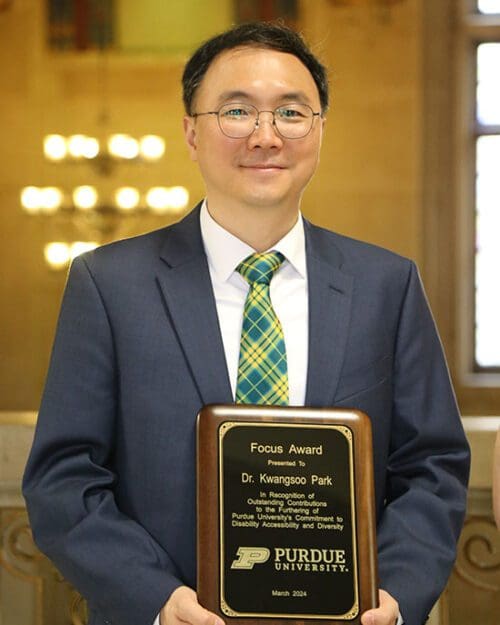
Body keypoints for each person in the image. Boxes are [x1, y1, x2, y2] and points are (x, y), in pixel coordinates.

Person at [23, 21, 470, 625]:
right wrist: (155, 599)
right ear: (190, 132)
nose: (266, 137)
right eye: (237, 111)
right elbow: (62, 478)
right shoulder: (109, 285)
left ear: (319, 131)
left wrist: (394, 594)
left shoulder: (386, 286)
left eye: (291, 113)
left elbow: (432, 466)